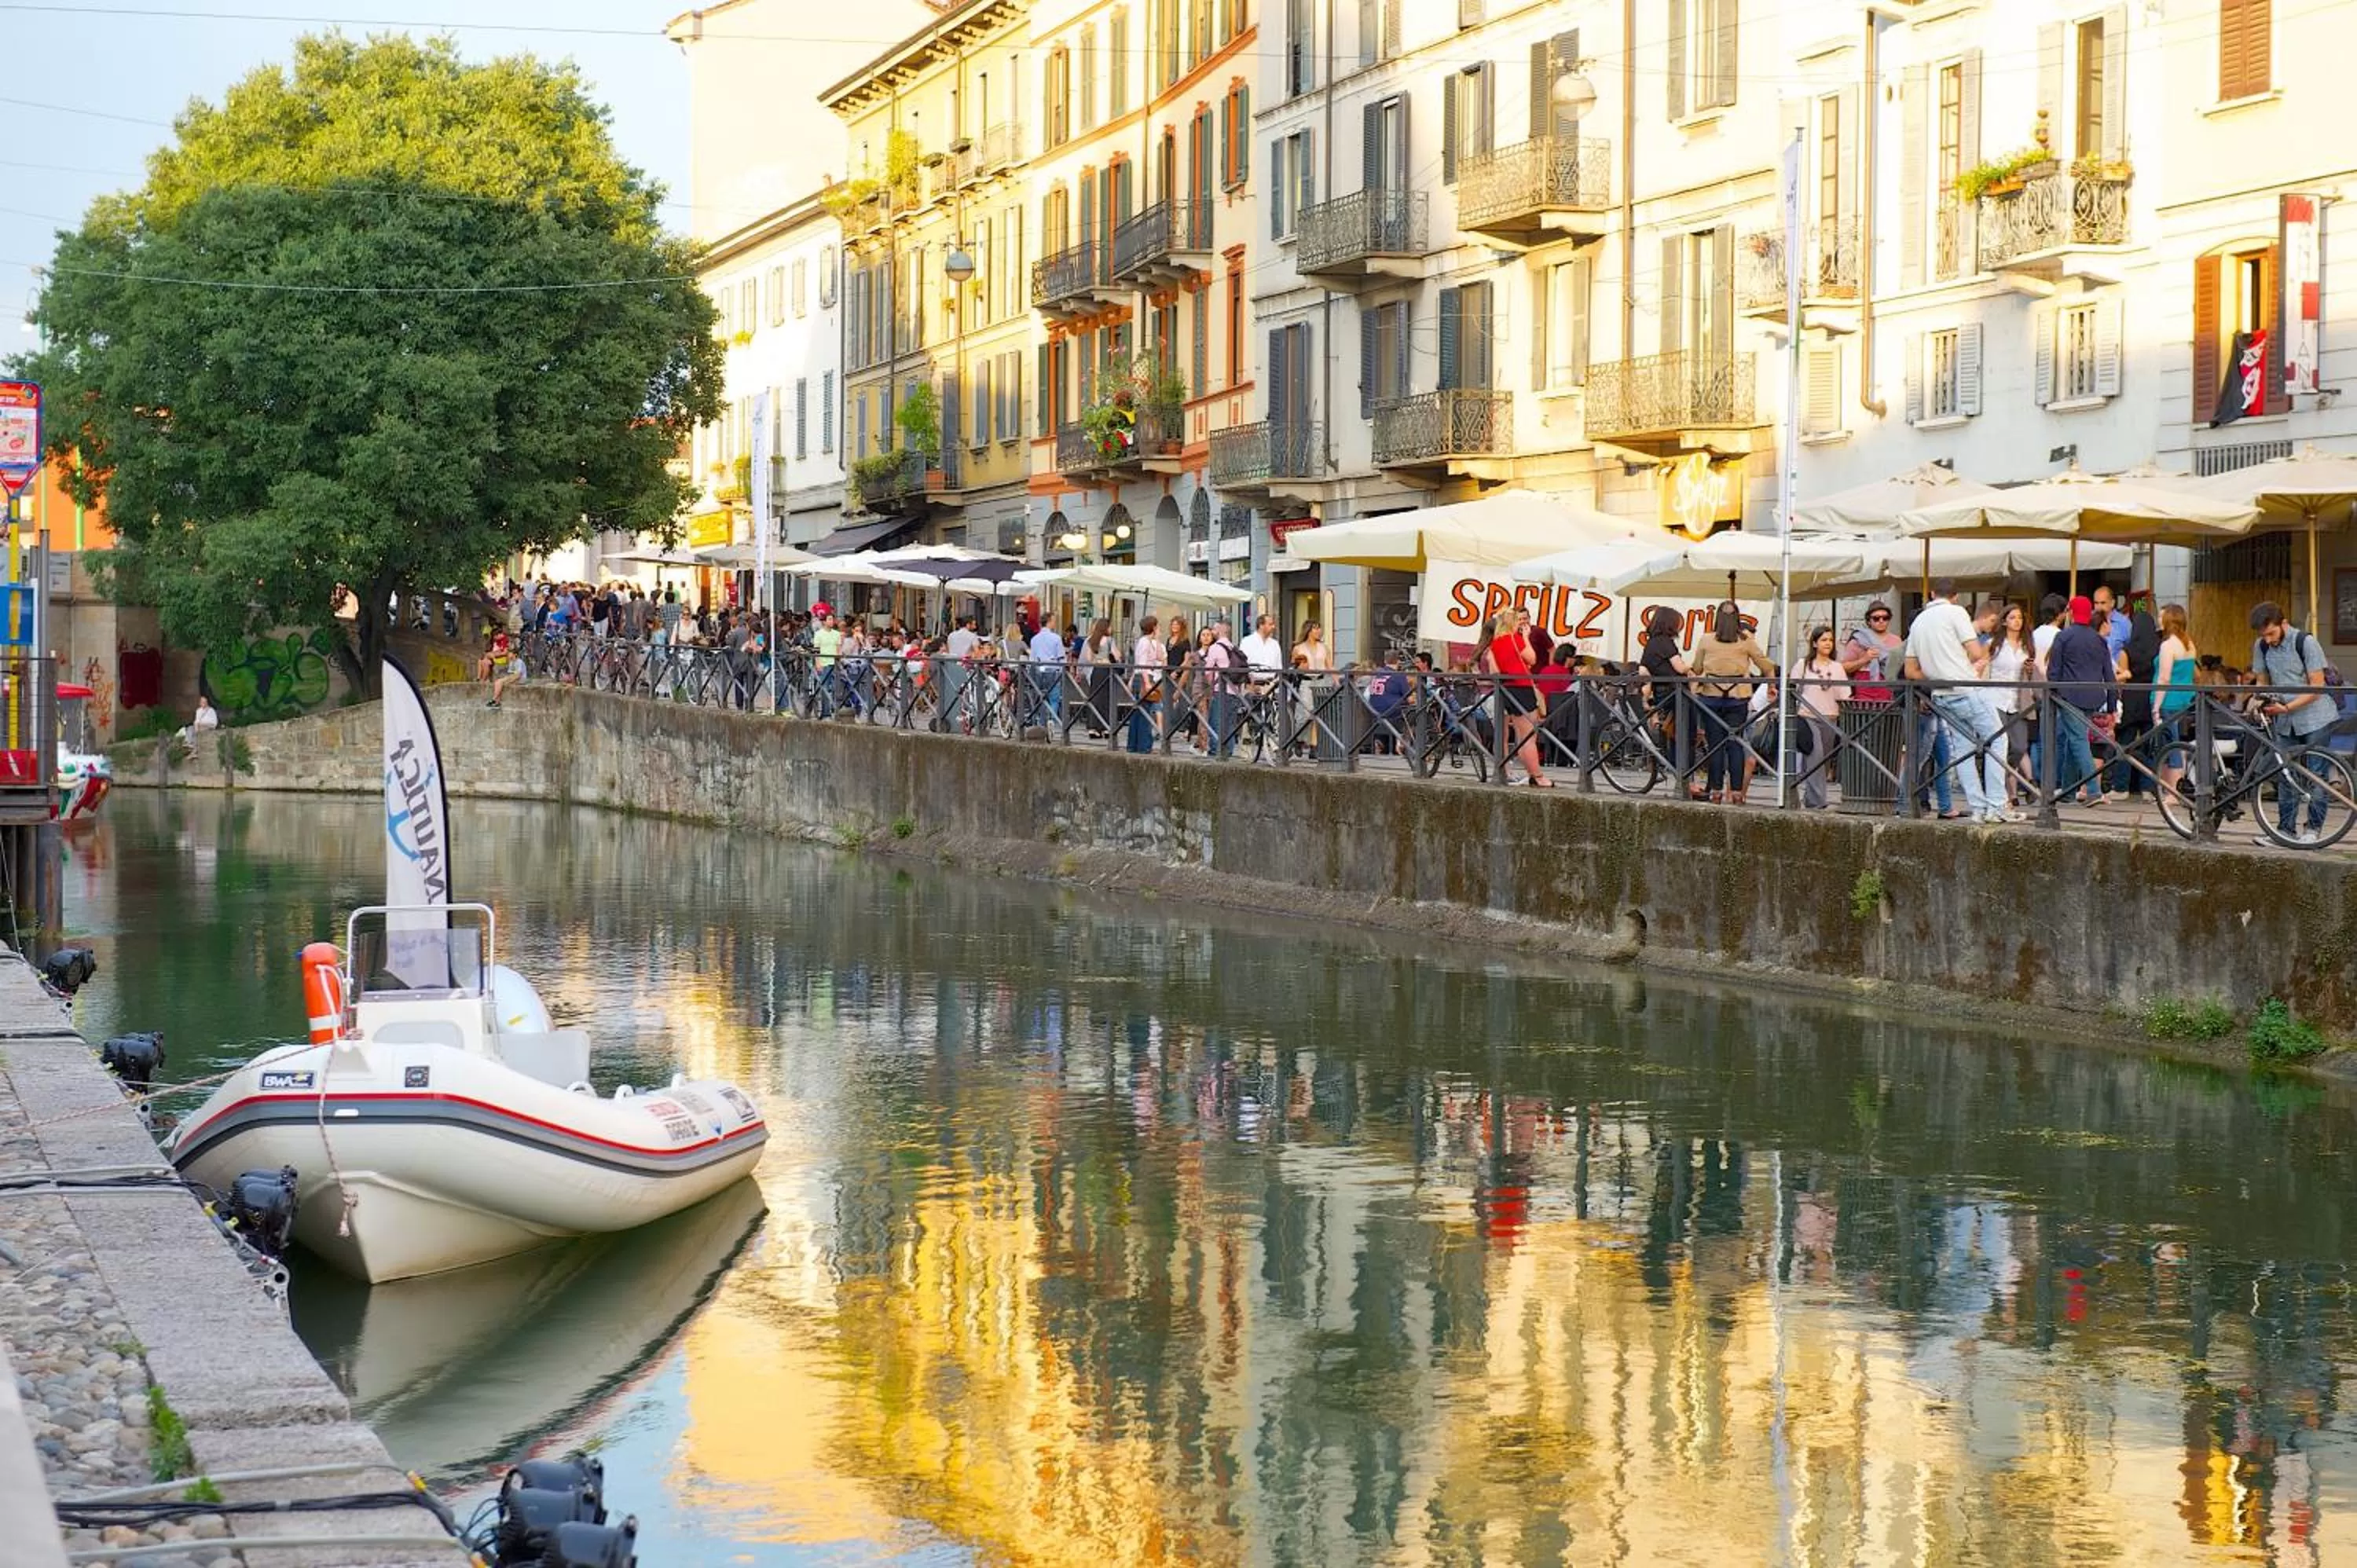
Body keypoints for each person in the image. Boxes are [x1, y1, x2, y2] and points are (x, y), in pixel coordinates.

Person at [1904, 579, 2011, 824]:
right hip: (1965, 688)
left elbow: (1911, 670)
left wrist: (1937, 674)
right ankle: (1996, 806)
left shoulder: (1919, 621)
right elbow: (1975, 653)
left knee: (1963, 749)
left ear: (1932, 594)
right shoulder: (1956, 612)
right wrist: (1978, 655)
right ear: (1955, 596)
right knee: (1998, 739)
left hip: (1941, 694)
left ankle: (1978, 808)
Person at [2249, 600, 2337, 845]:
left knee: (2316, 775)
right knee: (2285, 772)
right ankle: (2284, 830)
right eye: (2263, 635)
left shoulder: (2305, 642)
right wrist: (2258, 702)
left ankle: (2313, 830)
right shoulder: (2262, 646)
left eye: (2271, 633)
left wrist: (2287, 707)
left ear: (2284, 624)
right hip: (2284, 719)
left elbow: (2317, 687)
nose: (2268, 640)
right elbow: (2262, 681)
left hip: (2315, 717)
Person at [1691, 602, 1774, 804]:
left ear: (1717, 619)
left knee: (1715, 745)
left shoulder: (1706, 640)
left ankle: (1717, 791)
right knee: (1735, 743)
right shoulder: (1746, 641)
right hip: (1737, 698)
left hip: (1710, 698)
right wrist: (1771, 684)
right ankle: (1737, 792)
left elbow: (1697, 667)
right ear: (1737, 619)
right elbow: (1766, 665)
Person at [2046, 595, 2114, 808]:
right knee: (2072, 740)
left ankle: (2093, 791)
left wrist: (2053, 695)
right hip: (2094, 697)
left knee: (2077, 741)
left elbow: (2053, 671)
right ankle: (2067, 791)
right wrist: (2111, 706)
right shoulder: (2099, 640)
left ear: (2072, 613)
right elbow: (2109, 675)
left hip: (2069, 697)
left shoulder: (2063, 637)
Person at [1477, 610, 1552, 787]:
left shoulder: (1494, 644)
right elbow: (1532, 659)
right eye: (1518, 621)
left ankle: (1529, 773)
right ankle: (1538, 776)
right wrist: (1525, 638)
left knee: (1520, 735)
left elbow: (1495, 671)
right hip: (1522, 687)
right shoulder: (1514, 639)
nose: (1521, 624)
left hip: (1507, 689)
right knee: (1528, 736)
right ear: (1511, 623)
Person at [1794, 625, 1849, 809]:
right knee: (1815, 756)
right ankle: (1818, 802)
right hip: (1807, 715)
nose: (1828, 643)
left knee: (1824, 760)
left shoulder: (1837, 667)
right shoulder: (1803, 664)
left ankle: (1811, 798)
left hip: (1830, 717)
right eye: (1824, 640)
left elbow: (1844, 694)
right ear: (1815, 643)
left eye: (1830, 640)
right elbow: (1792, 689)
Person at [1989, 602, 2039, 807]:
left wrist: (2030, 670)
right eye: (2012, 617)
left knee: (2019, 746)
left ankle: (2009, 779)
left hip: (2019, 700)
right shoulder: (1994, 645)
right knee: (1999, 745)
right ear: (2004, 621)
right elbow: (1983, 667)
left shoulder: (2028, 646)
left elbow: (2034, 674)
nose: (2017, 621)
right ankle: (2003, 791)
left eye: (2019, 617)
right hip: (1996, 698)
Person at [2115, 606, 2161, 799]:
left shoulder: (2127, 651)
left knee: (2125, 744)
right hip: (2151, 698)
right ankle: (2147, 787)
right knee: (2148, 745)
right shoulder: (2159, 648)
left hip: (2131, 700)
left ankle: (2121, 787)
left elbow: (2123, 678)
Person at [2155, 603, 2199, 800]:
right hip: (2184, 699)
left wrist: (2156, 705)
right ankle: (2173, 788)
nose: (2158, 620)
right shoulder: (2190, 644)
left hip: (2168, 699)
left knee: (2169, 746)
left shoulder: (2167, 645)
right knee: (2177, 744)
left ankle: (2172, 791)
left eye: (2161, 616)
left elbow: (2164, 678)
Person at [1842, 602, 1901, 704]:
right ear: (1869, 621)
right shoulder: (1858, 640)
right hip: (1864, 690)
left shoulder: (1896, 641)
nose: (1881, 621)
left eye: (1885, 618)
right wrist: (1864, 659)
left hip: (1889, 689)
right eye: (1876, 618)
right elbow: (1844, 667)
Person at [1128, 614, 1167, 754]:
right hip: (1145, 676)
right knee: (1144, 711)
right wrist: (1147, 682)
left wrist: (1156, 639)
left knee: (1140, 710)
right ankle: (1143, 745)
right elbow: (1143, 664)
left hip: (1144, 675)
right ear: (1154, 627)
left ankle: (1135, 745)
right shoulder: (1144, 642)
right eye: (1157, 626)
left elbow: (1160, 657)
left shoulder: (1149, 641)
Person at [1028, 616, 1067, 728]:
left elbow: (1033, 659)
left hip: (1039, 670)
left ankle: (1042, 722)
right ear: (1049, 622)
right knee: (1054, 697)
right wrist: (1062, 670)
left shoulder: (1034, 639)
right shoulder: (1056, 638)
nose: (1055, 623)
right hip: (1053, 669)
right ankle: (1052, 722)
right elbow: (1061, 657)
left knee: (1041, 696)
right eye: (1054, 621)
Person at [482, 628, 518, 708]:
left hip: (506, 667)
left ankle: (495, 700)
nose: (494, 639)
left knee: (499, 682)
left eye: (495, 637)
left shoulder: (506, 641)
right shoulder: (500, 640)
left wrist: (494, 655)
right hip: (500, 664)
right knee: (497, 682)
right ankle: (496, 700)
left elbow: (505, 652)